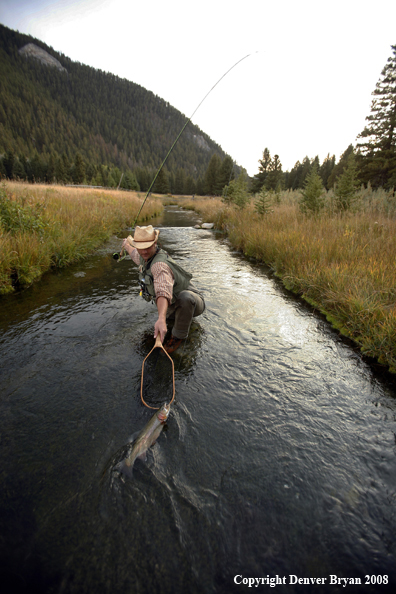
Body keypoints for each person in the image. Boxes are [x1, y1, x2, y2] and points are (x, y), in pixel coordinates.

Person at [121, 225, 205, 353]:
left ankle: (178, 337)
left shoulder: (159, 266)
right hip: (174, 304)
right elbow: (134, 254)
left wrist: (160, 318)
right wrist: (126, 245)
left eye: (148, 247)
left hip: (193, 303)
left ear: (155, 243)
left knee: (186, 298)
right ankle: (171, 319)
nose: (144, 252)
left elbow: (162, 290)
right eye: (140, 248)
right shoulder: (143, 256)